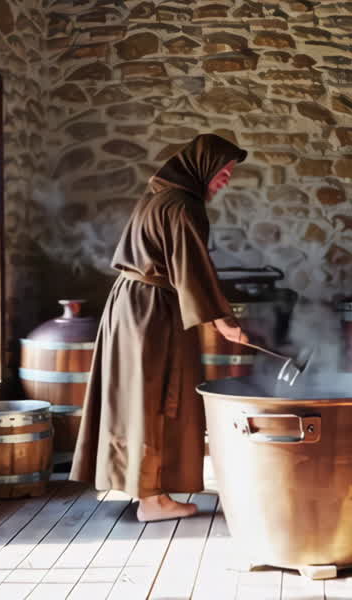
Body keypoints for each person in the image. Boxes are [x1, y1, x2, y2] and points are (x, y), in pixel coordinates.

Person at [71, 133, 250, 522]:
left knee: (136, 397)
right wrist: (225, 321)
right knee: (155, 397)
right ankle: (153, 500)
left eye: (230, 172)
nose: (226, 180)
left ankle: (147, 490)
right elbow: (193, 270)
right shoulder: (183, 205)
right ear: (202, 168)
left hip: (130, 304)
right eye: (223, 171)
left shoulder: (159, 196)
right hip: (151, 311)